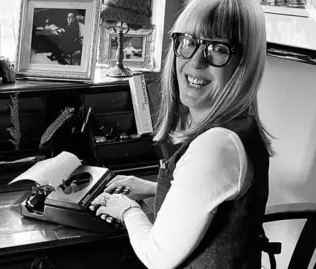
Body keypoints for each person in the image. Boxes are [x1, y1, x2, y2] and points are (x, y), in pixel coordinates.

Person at [91, 0, 275, 268]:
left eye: (218, 49)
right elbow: (209, 200)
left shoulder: (216, 146)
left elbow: (157, 258)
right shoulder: (241, 127)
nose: (196, 61)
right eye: (188, 41)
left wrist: (126, 209)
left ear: (243, 64)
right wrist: (150, 188)